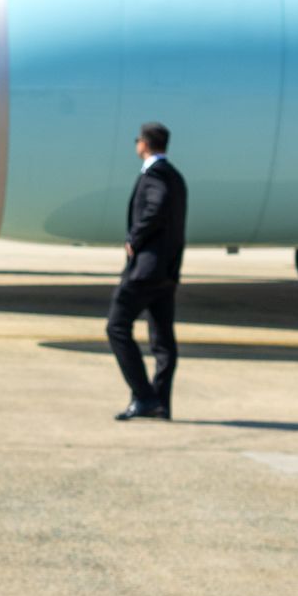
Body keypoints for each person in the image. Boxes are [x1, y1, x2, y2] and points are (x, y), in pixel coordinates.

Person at [106, 124, 186, 420]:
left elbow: (158, 203)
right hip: (167, 271)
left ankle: (143, 396)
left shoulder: (155, 176)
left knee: (116, 327)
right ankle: (161, 402)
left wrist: (134, 238)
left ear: (144, 144)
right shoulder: (175, 175)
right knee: (162, 339)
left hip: (146, 271)